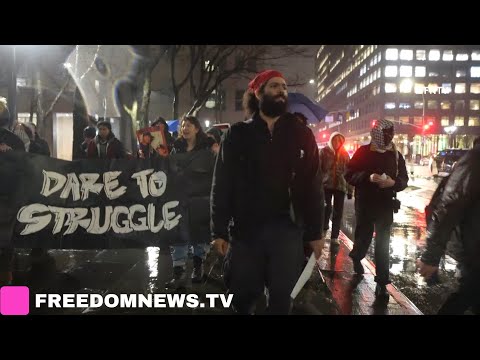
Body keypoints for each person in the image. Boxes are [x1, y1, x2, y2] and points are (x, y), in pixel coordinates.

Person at [210, 70, 325, 314]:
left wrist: (316, 232)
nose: (281, 91)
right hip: (245, 231)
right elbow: (222, 184)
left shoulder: (301, 134)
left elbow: (313, 186)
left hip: (287, 231)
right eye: (274, 86)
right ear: (258, 93)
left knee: (282, 299)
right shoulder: (237, 134)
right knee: (241, 297)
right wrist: (218, 231)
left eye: (284, 87)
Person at [345, 119, 408, 298]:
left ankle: (382, 281)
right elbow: (348, 173)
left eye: (391, 133)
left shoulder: (396, 155)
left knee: (383, 243)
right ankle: (357, 256)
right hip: (365, 203)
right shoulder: (363, 152)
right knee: (363, 236)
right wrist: (367, 177)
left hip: (385, 205)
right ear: (376, 134)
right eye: (385, 133)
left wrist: (393, 183)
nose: (389, 137)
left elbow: (404, 179)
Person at [418, 136, 480, 314]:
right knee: (467, 295)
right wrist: (431, 256)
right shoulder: (475, 160)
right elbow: (448, 208)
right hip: (475, 252)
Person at [166, 115, 216, 288]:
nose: (184, 128)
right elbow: (168, 169)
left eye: (188, 125)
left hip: (201, 199)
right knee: (179, 234)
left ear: (196, 128)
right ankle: (178, 271)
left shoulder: (208, 149)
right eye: (182, 126)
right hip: (180, 198)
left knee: (200, 235)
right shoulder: (176, 149)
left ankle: (198, 266)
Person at [0, 97, 25, 286]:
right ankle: (12, 304)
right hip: (10, 199)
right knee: (7, 249)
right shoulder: (15, 140)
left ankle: (12, 303)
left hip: (7, 200)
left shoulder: (14, 141)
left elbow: (23, 166)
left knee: (7, 249)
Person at [320, 131, 353, 245]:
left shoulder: (344, 154)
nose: (337, 143)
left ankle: (334, 236)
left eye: (339, 141)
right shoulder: (324, 152)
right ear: (331, 140)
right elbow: (319, 169)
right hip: (326, 185)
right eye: (335, 140)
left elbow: (349, 172)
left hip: (340, 186)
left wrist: (350, 190)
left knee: (338, 212)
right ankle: (324, 229)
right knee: (326, 208)